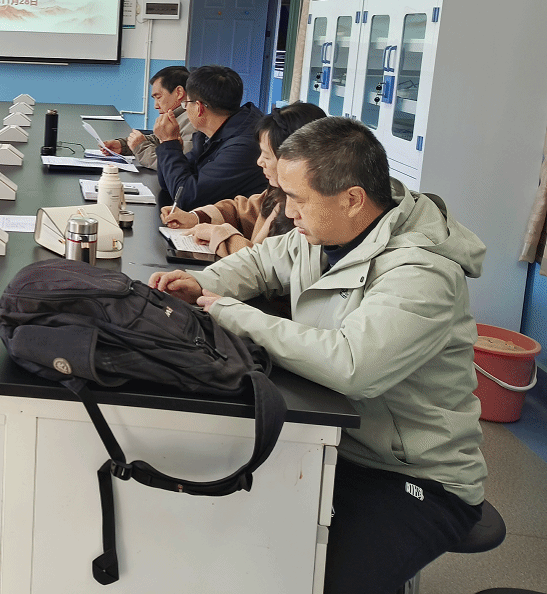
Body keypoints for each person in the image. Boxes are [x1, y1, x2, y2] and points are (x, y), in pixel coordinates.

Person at [149, 117, 486, 594]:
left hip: (412, 475)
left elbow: (353, 365)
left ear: (352, 198)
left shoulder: (422, 273)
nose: (287, 211)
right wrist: (201, 282)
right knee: (231, 543)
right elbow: (261, 262)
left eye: (297, 199)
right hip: (333, 440)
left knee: (315, 582)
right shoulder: (327, 232)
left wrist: (228, 312)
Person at [161, 101, 326, 258]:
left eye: (267, 156)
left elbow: (265, 265)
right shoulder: (277, 192)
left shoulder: (308, 216)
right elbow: (246, 210)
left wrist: (222, 237)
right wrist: (197, 217)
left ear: (295, 159)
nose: (259, 162)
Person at [154, 64, 267, 209]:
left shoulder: (243, 146)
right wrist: (169, 145)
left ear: (199, 108)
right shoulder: (209, 134)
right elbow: (168, 185)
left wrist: (169, 143)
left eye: (186, 103)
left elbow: (185, 197)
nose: (186, 108)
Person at [102, 65, 195, 169]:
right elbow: (158, 140)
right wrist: (124, 145)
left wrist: (140, 148)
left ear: (179, 92)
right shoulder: (178, 117)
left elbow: (174, 165)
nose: (156, 105)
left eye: (158, 97)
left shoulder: (192, 122)